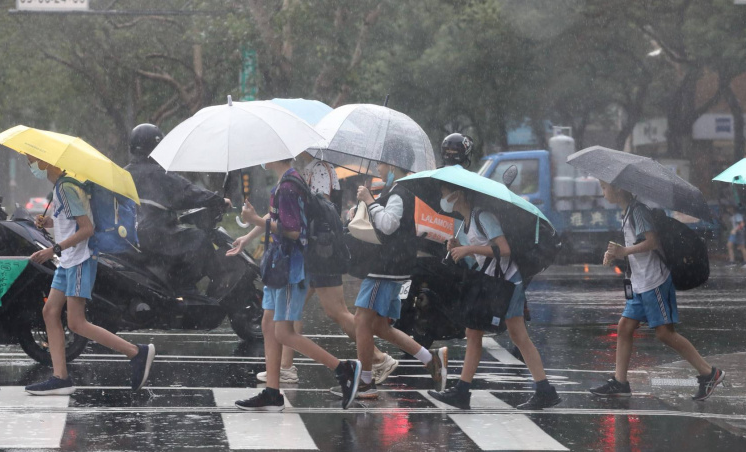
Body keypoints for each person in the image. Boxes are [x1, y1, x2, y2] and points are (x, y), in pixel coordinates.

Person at [232, 154, 398, 386]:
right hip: (308, 252)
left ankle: (375, 358)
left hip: (319, 252)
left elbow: (308, 216)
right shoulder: (297, 175)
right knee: (284, 319)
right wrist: (249, 234)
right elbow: (282, 213)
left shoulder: (314, 171)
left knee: (332, 312)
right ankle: (284, 369)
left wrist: (258, 221)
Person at [233, 158, 361, 411]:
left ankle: (344, 369)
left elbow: (293, 230)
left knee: (283, 332)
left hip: (290, 268)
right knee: (268, 324)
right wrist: (247, 236)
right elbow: (277, 216)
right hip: (277, 265)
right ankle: (272, 393)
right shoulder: (286, 182)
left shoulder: (290, 186)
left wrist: (255, 219)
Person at [23, 156, 155, 395]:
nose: (29, 165)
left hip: (79, 260)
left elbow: (87, 229)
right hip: (68, 261)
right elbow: (71, 223)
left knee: (76, 322)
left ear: (46, 162)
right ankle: (60, 377)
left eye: (31, 160)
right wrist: (49, 222)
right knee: (50, 312)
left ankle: (136, 352)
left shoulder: (66, 187)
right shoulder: (63, 186)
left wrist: (53, 249)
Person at [427, 182, 560, 410]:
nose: (442, 198)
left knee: (494, 334)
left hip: (506, 283)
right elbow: (485, 256)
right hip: (496, 282)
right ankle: (543, 390)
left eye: (444, 193)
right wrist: (460, 248)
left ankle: (463, 392)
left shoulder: (482, 216)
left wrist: (469, 249)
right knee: (488, 334)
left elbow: (504, 249)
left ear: (458, 194)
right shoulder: (468, 221)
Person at [590, 181, 724, 401]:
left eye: (604, 188)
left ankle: (709, 373)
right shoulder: (628, 212)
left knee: (665, 333)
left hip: (654, 282)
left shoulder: (638, 211)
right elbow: (636, 248)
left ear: (618, 188)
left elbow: (652, 242)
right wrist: (617, 254)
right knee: (624, 327)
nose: (603, 193)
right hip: (639, 282)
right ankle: (620, 382)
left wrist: (623, 251)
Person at [351, 153, 448, 400]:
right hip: (393, 266)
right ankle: (430, 359)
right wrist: (366, 205)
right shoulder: (396, 190)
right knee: (379, 326)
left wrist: (369, 201)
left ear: (393, 164)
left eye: (381, 163)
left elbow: (388, 225)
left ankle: (366, 382)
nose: (378, 167)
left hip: (385, 267)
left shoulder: (399, 192)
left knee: (361, 320)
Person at [124, 124, 232, 297]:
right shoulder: (158, 174)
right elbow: (188, 192)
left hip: (131, 239)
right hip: (157, 236)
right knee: (199, 240)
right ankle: (185, 287)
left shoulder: (124, 173)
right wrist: (219, 200)